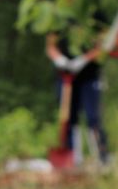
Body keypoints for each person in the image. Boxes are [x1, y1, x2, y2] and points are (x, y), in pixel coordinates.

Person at [46, 23, 109, 165]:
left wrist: (84, 59)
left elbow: (103, 46)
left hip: (89, 76)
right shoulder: (59, 15)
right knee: (68, 118)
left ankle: (101, 157)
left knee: (93, 117)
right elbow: (51, 46)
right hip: (66, 76)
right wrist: (59, 59)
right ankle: (73, 159)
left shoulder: (95, 14)